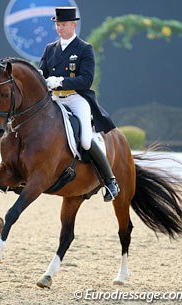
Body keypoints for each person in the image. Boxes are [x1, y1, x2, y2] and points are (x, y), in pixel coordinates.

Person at [39, 7, 119, 201]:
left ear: (74, 25)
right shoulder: (50, 48)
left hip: (76, 98)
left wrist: (61, 81)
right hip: (55, 99)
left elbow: (86, 80)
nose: (60, 28)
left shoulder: (84, 48)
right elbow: (42, 71)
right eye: (57, 25)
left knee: (84, 139)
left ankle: (110, 181)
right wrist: (39, 77)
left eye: (63, 25)